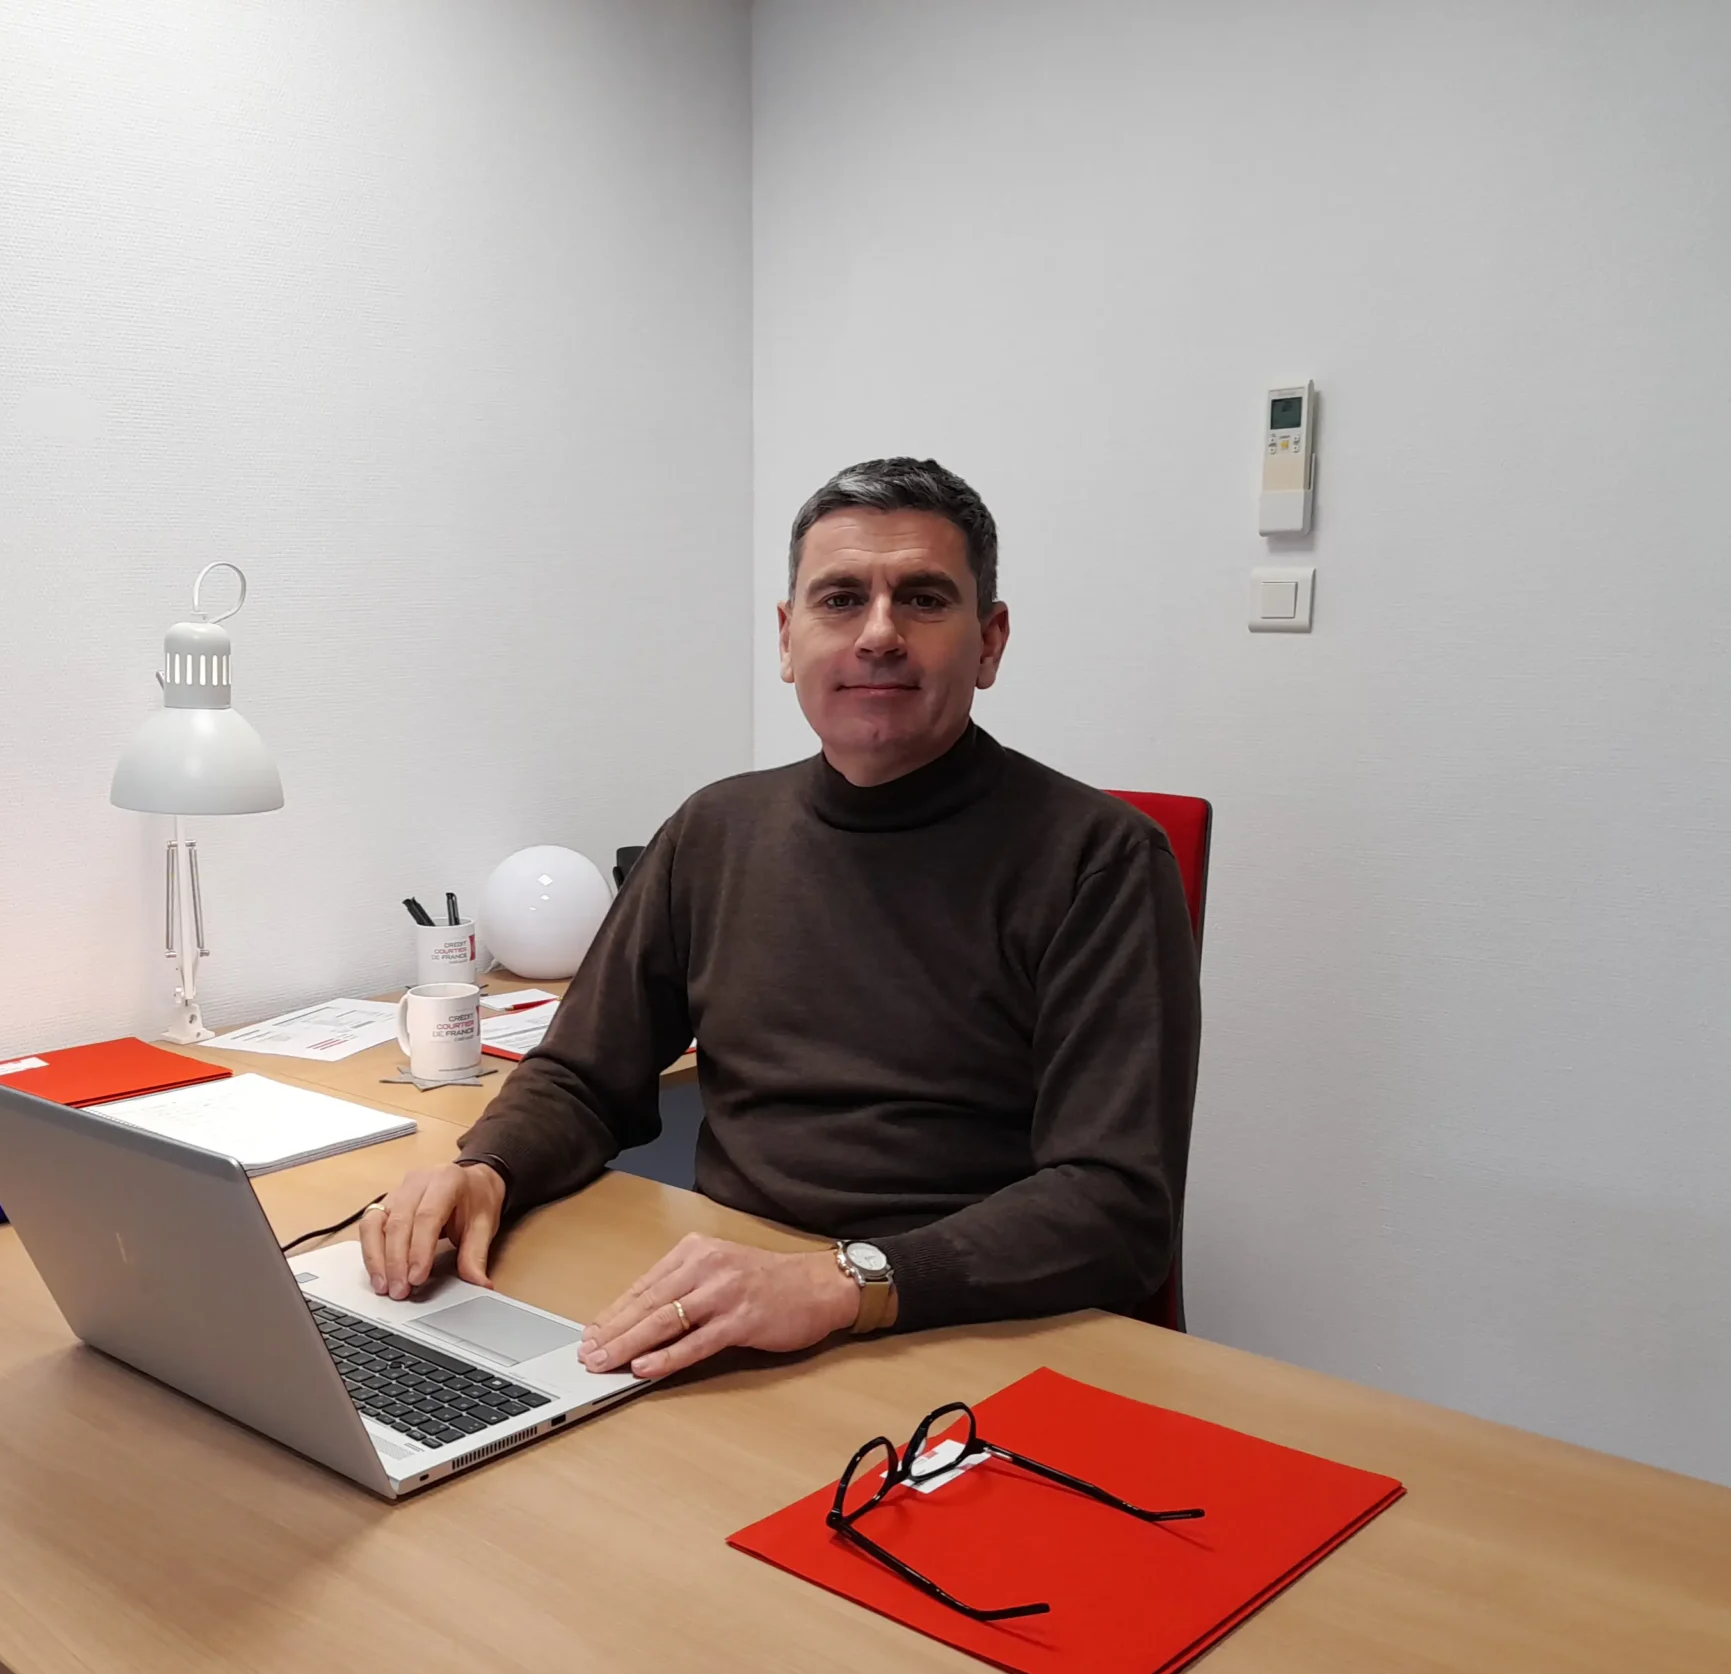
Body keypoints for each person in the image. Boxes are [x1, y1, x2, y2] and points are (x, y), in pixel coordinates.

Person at [358, 456, 1200, 1382]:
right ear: (789, 638)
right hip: (741, 1306)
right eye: (841, 599)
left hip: (970, 1331)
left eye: (923, 599)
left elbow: (1115, 1207)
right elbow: (586, 1075)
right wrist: (488, 1171)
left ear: (990, 642)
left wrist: (843, 1281)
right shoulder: (716, 830)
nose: (879, 633)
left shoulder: (1100, 858)